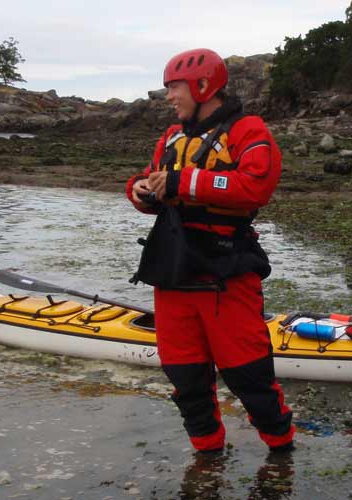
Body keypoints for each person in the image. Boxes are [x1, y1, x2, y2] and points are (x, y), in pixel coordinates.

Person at [126, 48, 294, 454]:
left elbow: (256, 187)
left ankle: (282, 452)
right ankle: (206, 456)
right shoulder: (171, 137)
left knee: (248, 374)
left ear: (203, 86)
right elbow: (154, 181)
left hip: (226, 270)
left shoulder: (248, 131)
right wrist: (140, 191)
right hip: (173, 269)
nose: (168, 97)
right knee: (184, 375)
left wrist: (185, 183)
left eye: (174, 87)